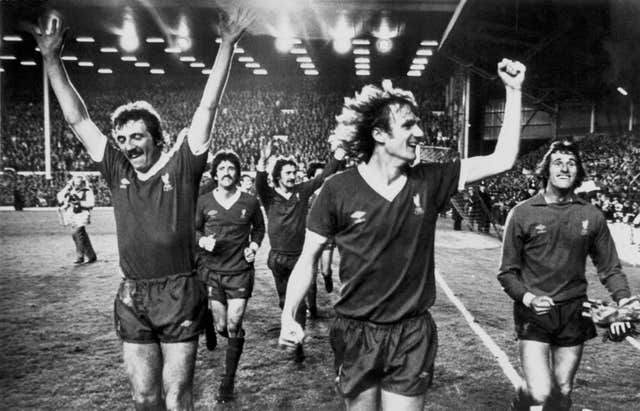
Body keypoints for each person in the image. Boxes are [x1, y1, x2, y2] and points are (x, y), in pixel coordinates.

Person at [30, 8, 252, 410]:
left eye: (137, 136)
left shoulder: (184, 165)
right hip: (133, 294)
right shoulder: (116, 169)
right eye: (122, 137)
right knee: (143, 396)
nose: (129, 145)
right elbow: (78, 119)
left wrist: (226, 46)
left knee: (176, 397)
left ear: (157, 138)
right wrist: (51, 59)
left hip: (180, 290)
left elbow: (207, 108)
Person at [279, 58, 526, 411]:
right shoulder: (336, 190)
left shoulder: (431, 179)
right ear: (379, 134)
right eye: (408, 124)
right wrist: (289, 314)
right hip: (356, 331)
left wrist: (513, 91)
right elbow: (308, 259)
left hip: (411, 333)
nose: (420, 133)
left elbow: (503, 159)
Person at [497, 140, 638, 411]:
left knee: (561, 391)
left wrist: (623, 303)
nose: (564, 167)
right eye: (557, 162)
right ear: (545, 170)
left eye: (571, 163)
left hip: (574, 311)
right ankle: (522, 398)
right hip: (534, 312)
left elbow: (610, 268)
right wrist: (528, 298)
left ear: (579, 172)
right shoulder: (522, 213)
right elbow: (507, 273)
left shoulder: (592, 215)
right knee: (540, 391)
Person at [255, 139, 345, 362]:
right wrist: (263, 160)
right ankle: (291, 324)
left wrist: (339, 155)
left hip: (299, 257)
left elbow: (322, 177)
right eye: (287, 172)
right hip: (277, 257)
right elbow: (259, 182)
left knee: (301, 302)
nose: (292, 176)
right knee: (285, 301)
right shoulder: (269, 196)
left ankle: (298, 346)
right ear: (278, 175)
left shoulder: (302, 191)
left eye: (294, 172)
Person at [195, 150, 265, 403]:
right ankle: (211, 326)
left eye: (231, 168)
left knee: (234, 325)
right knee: (222, 325)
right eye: (221, 168)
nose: (226, 172)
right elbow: (192, 230)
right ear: (215, 174)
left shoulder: (249, 201)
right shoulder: (203, 202)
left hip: (239, 272)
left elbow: (259, 229)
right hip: (212, 273)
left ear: (237, 173)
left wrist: (254, 248)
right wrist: (202, 240)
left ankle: (228, 381)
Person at [305, 161, 335, 319]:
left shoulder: (330, 193)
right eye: (318, 175)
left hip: (328, 236)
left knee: (325, 270)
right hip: (311, 237)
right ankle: (312, 307)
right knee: (311, 274)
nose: (322, 178)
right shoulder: (307, 194)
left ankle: (328, 276)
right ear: (311, 177)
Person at [56, 174, 97, 264]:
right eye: (75, 182)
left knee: (77, 233)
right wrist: (67, 186)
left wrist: (79, 203)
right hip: (72, 215)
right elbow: (60, 197)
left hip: (82, 215)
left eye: (79, 182)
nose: (77, 184)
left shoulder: (87, 191)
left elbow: (91, 203)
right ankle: (91, 255)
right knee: (80, 236)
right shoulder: (70, 191)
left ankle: (80, 256)